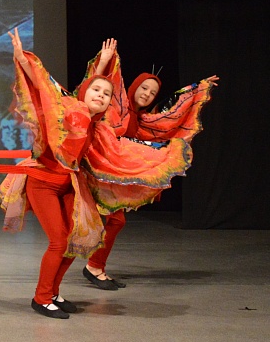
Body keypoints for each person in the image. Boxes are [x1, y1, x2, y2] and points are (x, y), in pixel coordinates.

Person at [81, 39, 218, 289]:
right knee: (103, 222)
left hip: (109, 173)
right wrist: (103, 62)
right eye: (144, 88)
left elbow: (172, 113)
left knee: (113, 221)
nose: (146, 94)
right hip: (91, 165)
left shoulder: (143, 121)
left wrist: (197, 88)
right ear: (134, 86)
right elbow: (91, 90)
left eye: (152, 92)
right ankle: (90, 268)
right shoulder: (115, 105)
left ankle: (93, 266)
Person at [0, 29, 114, 319]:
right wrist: (21, 58)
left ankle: (52, 292)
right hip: (43, 183)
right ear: (85, 93)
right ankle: (41, 298)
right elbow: (43, 84)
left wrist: (103, 66)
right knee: (59, 241)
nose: (100, 95)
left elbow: (91, 91)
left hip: (68, 184)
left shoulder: (94, 123)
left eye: (106, 94)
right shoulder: (68, 108)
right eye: (96, 91)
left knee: (73, 242)